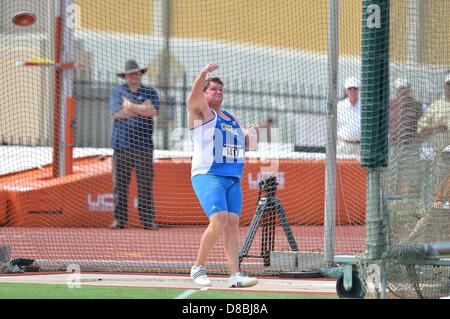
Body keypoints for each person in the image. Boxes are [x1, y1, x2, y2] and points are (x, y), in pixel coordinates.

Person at [187, 63, 259, 288]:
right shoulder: (201, 113)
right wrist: (203, 73)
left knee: (232, 224)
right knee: (218, 220)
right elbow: (193, 96)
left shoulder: (231, 118)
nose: (217, 92)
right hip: (208, 175)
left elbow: (249, 146)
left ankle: (235, 275)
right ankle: (198, 267)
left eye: (220, 90)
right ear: (205, 93)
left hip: (232, 178)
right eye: (212, 89)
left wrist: (252, 135)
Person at [108, 60, 160, 230]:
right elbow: (117, 114)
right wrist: (141, 108)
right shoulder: (118, 92)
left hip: (144, 146)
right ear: (125, 76)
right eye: (130, 74)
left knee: (145, 185)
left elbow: (152, 111)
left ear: (141, 74)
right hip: (121, 146)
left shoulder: (150, 91)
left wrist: (130, 106)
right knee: (120, 185)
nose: (134, 76)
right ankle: (119, 220)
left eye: (136, 73)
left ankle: (148, 220)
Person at [417, 73, 450, 207]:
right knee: (441, 182)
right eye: (449, 84)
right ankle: (440, 210)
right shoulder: (436, 106)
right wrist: (435, 127)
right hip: (442, 153)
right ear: (444, 86)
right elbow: (421, 127)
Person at [388, 78, 423, 194]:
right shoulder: (390, 105)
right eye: (400, 89)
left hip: (411, 146)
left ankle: (407, 199)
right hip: (393, 146)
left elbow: (422, 125)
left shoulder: (416, 106)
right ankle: (393, 197)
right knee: (393, 174)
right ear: (396, 90)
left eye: (405, 89)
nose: (403, 92)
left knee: (409, 175)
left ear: (409, 90)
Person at [337, 76, 361, 156]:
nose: (352, 91)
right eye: (350, 89)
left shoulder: (364, 106)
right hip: (344, 145)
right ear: (346, 91)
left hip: (360, 146)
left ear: (358, 90)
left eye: (355, 88)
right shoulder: (340, 106)